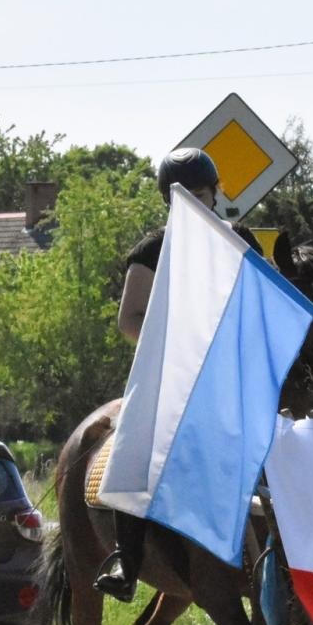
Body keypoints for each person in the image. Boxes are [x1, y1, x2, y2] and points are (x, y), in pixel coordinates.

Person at [96, 147, 262, 601]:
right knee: (133, 443)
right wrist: (179, 339)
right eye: (181, 197)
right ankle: (127, 561)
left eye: (200, 195)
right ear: (167, 200)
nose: (192, 203)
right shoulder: (151, 251)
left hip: (233, 373)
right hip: (170, 376)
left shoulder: (240, 240)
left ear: (215, 195)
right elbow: (129, 320)